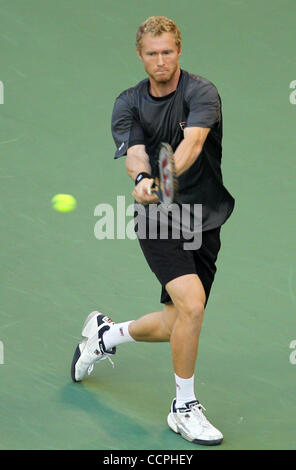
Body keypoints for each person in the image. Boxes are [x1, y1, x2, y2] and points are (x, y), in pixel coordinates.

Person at [71, 16, 235, 446]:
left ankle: (106, 335)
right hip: (159, 220)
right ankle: (183, 408)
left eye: (167, 52)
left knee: (173, 323)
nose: (160, 61)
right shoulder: (128, 103)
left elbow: (193, 143)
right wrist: (143, 181)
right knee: (193, 307)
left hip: (205, 217)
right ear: (140, 55)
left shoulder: (201, 93)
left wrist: (164, 178)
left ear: (179, 51)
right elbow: (135, 154)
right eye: (151, 53)